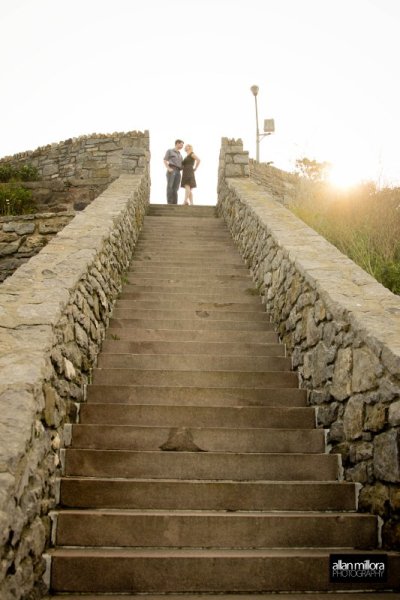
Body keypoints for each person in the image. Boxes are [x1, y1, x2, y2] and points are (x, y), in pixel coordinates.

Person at [163, 139, 184, 204]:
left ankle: (175, 203)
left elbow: (182, 164)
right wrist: (168, 168)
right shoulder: (170, 151)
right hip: (172, 169)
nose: (182, 146)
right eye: (181, 145)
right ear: (177, 143)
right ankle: (169, 203)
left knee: (176, 188)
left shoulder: (180, 154)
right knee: (170, 186)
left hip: (178, 171)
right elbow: (165, 160)